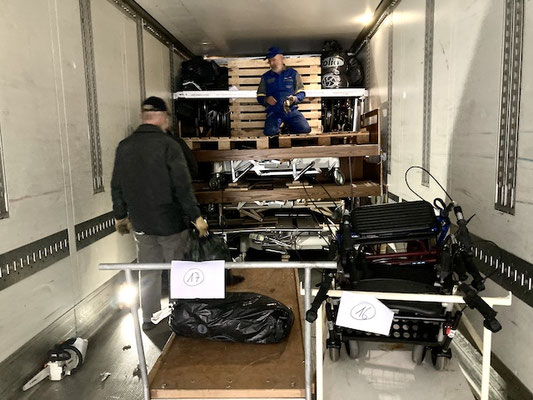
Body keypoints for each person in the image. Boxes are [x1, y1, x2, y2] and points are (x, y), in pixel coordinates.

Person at [111, 96, 208, 331]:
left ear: (143, 116)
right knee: (178, 269)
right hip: (171, 221)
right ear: (162, 116)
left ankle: (149, 318)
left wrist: (121, 216)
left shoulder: (125, 146)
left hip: (141, 222)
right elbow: (182, 186)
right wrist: (196, 216)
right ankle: (179, 316)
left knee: (148, 271)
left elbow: (117, 184)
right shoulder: (169, 145)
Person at [256, 47, 312, 136]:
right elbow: (260, 96)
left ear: (281, 58)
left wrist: (294, 99)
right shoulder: (265, 77)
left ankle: (288, 128)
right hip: (274, 111)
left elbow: (301, 92)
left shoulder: (293, 73)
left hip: (291, 110)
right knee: (270, 132)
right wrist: (266, 100)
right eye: (269, 61)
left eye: (273, 60)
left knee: (305, 129)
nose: (271, 63)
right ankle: (280, 130)